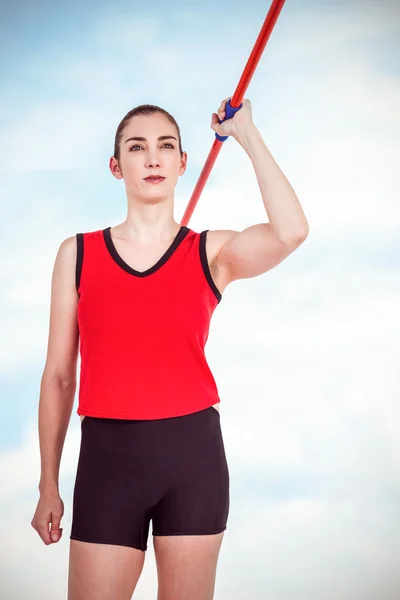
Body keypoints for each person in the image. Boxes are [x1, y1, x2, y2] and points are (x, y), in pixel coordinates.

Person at [31, 97, 309, 599]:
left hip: (192, 456)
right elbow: (57, 377)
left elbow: (292, 232)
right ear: (117, 167)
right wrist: (48, 482)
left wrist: (245, 133)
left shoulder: (211, 253)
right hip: (107, 460)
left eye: (166, 147)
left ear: (184, 162)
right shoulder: (77, 254)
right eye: (137, 148)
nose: (153, 158)